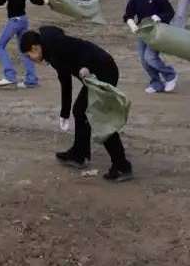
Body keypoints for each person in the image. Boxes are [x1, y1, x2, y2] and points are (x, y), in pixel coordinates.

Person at [20, 26, 133, 182]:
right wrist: (64, 113)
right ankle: (80, 154)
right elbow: (65, 81)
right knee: (80, 110)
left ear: (34, 48)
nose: (30, 59)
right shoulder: (51, 52)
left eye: (28, 55)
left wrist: (85, 66)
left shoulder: (55, 43)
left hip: (104, 70)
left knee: (99, 117)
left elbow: (83, 49)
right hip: (97, 72)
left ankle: (122, 166)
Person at [123, 0, 178, 94]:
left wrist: (159, 17)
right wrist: (131, 23)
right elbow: (128, 13)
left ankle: (170, 75)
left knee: (150, 57)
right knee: (143, 60)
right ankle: (156, 83)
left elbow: (169, 12)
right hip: (143, 32)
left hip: (157, 31)